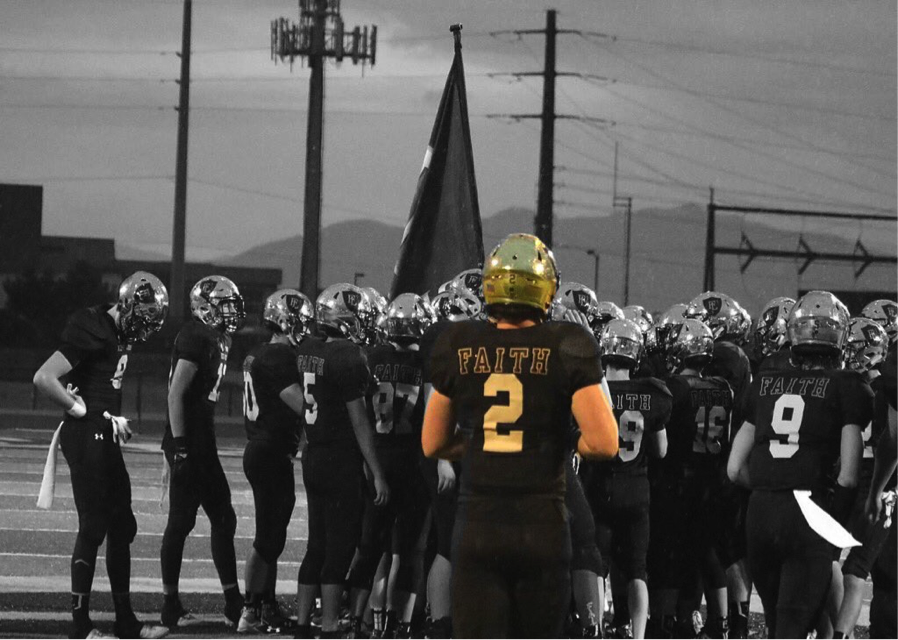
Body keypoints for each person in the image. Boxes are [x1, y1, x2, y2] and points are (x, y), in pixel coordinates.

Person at [422, 233, 620, 640]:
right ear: (546, 288)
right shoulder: (568, 342)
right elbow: (603, 442)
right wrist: (555, 445)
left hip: (479, 523)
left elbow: (432, 443)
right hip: (540, 524)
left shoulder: (458, 342)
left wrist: (483, 443)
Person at [728, 291, 873, 640]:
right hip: (810, 512)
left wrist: (770, 487)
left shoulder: (764, 380)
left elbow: (734, 468)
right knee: (792, 626)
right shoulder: (847, 385)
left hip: (761, 512)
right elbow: (850, 476)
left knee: (778, 623)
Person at [33, 271, 170, 640]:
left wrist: (113, 417)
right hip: (84, 435)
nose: (141, 330)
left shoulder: (119, 332)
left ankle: (125, 621)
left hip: (103, 433)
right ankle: (80, 625)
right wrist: (77, 408)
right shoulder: (91, 325)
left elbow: (104, 384)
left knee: (123, 527)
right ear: (125, 305)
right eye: (140, 320)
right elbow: (44, 378)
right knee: (93, 527)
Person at [293, 283, 389, 640]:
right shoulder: (348, 355)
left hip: (313, 453)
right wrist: (377, 472)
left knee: (316, 544)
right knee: (340, 545)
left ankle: (303, 626)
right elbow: (359, 420)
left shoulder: (308, 348)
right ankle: (331, 626)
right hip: (339, 459)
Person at [159, 275, 246, 628]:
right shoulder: (197, 335)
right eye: (225, 305)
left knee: (219, 518)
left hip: (198, 438)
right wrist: (179, 448)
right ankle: (177, 604)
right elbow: (175, 393)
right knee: (186, 521)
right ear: (205, 306)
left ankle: (228, 601)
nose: (231, 312)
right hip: (191, 441)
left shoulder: (213, 337)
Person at [346, 293, 434, 640]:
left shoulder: (372, 357)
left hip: (377, 460)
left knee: (370, 548)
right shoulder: (426, 362)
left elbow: (360, 416)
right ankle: (398, 624)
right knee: (409, 551)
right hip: (413, 463)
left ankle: (359, 620)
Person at [582, 318, 671, 640]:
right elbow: (661, 451)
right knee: (637, 570)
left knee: (598, 565)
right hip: (636, 490)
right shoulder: (654, 392)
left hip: (599, 488)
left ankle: (596, 628)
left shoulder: (593, 392)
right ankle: (638, 635)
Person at [237, 289, 314, 634]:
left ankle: (263, 602)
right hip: (269, 451)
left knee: (273, 533)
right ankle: (250, 609)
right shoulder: (279, 357)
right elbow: (300, 404)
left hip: (262, 448)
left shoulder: (257, 354)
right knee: (268, 536)